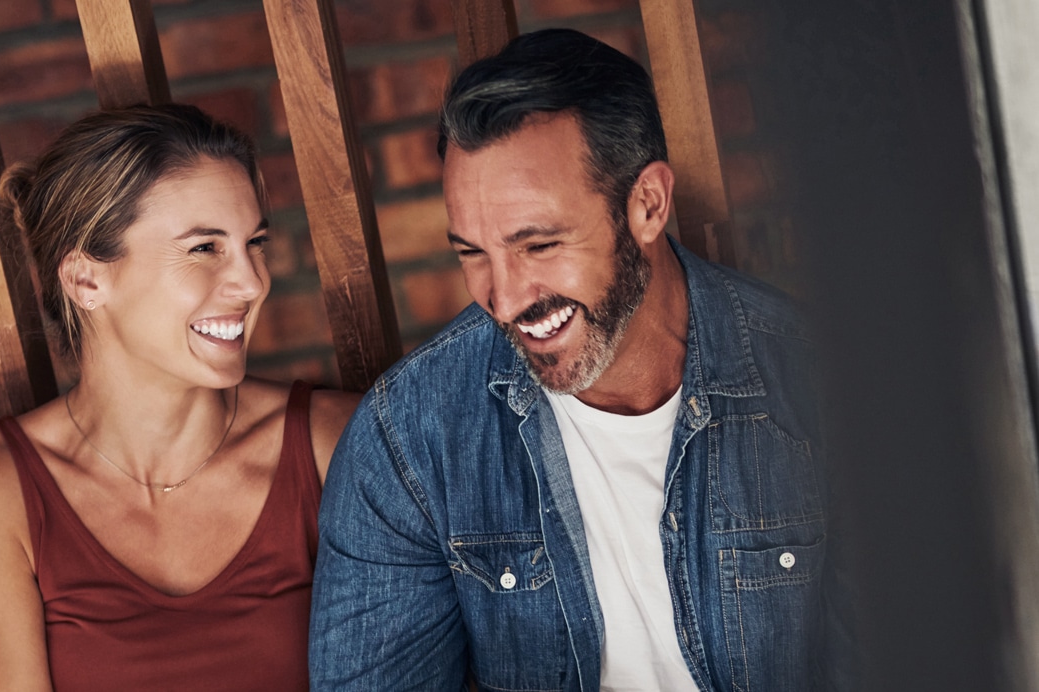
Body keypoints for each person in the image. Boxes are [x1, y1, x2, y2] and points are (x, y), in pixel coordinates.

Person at [310, 28, 844, 691]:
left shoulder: (820, 383)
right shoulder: (410, 439)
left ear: (647, 204)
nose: (502, 299)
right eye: (471, 252)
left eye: (537, 245)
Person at [0, 103, 360, 691]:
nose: (252, 282)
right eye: (205, 247)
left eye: (255, 243)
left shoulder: (337, 445)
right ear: (86, 280)